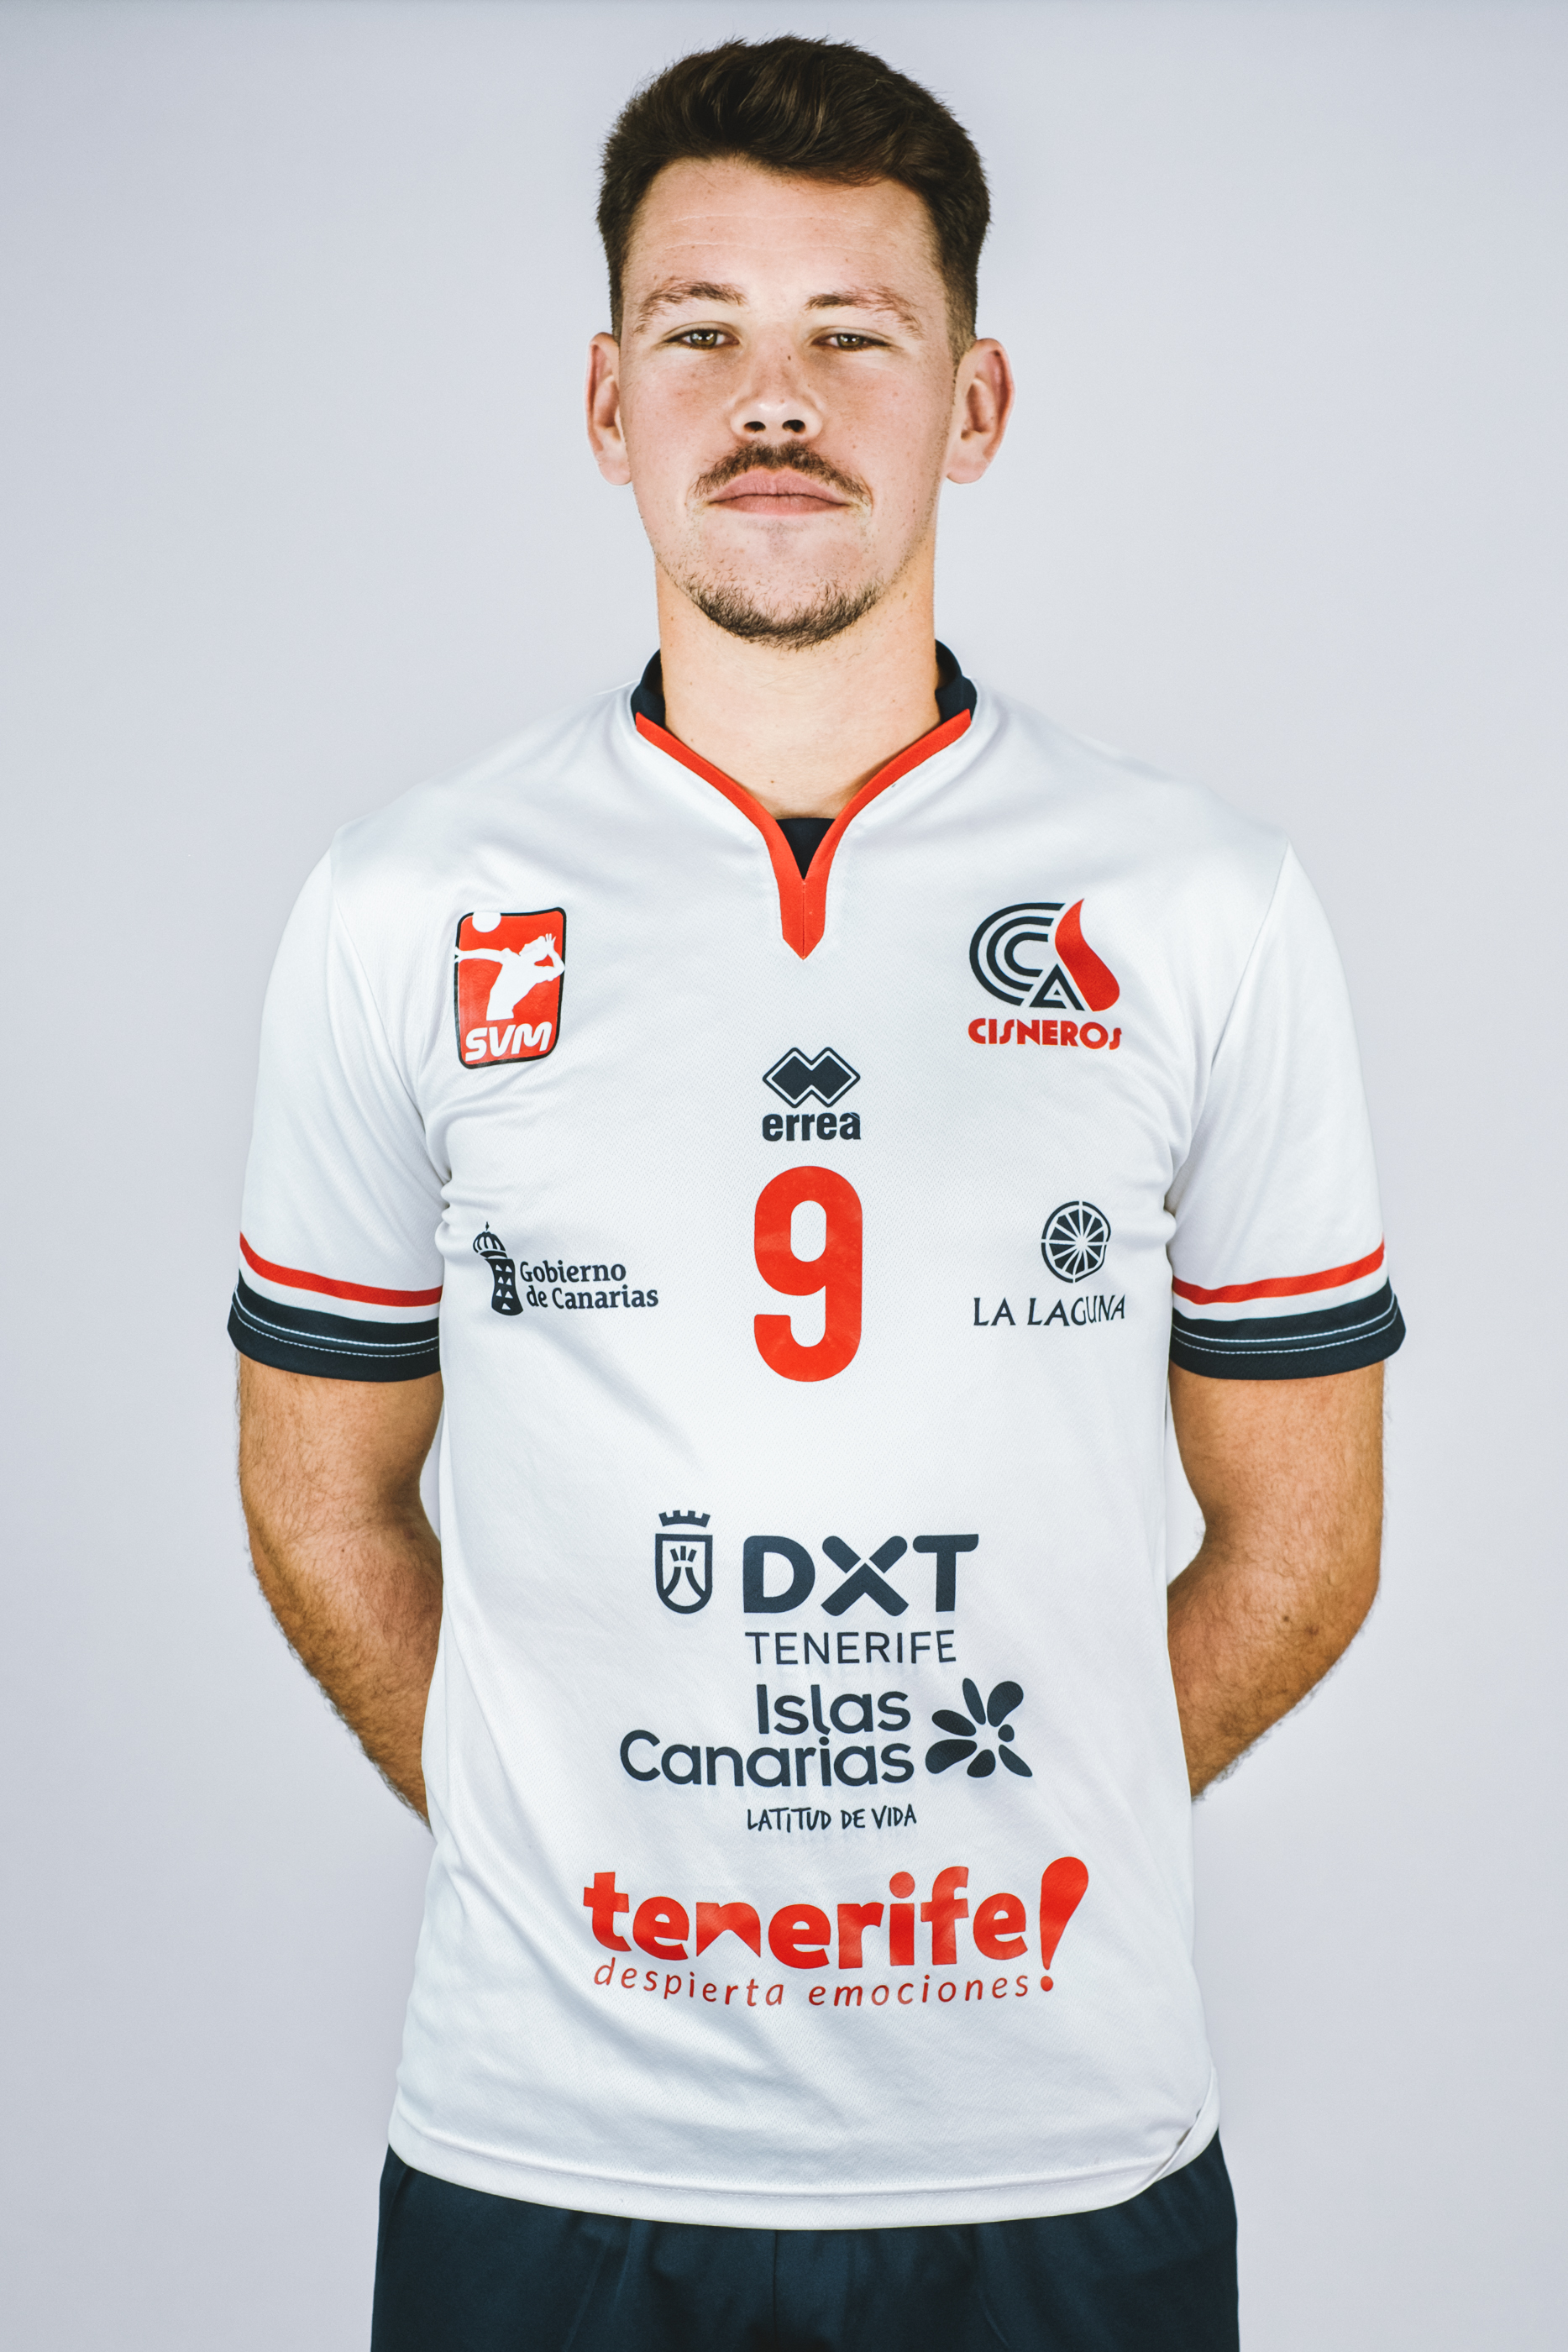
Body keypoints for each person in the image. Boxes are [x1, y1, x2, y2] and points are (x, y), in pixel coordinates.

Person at [230, 36, 1403, 2351]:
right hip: (545, 2156)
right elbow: (316, 1495)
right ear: (608, 402)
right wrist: (576, 1845)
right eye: (703, 333)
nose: (774, 399)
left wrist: (1020, 1842)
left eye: (852, 336)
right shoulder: (403, 905)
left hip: (1057, 2151)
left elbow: (1309, 1538)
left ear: (974, 400)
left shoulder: (1201, 904)